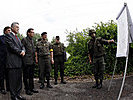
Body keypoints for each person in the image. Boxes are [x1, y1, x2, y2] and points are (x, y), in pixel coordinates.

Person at [5, 22, 26, 100]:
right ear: (12, 28)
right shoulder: (8, 36)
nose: (18, 28)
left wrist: (23, 50)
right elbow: (11, 47)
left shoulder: (17, 37)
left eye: (18, 27)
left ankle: (18, 94)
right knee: (13, 81)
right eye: (17, 27)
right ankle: (13, 96)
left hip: (19, 62)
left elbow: (22, 46)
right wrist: (20, 52)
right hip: (12, 62)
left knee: (18, 80)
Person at [21, 28, 38, 95]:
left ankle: (32, 88)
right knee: (26, 76)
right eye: (32, 32)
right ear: (28, 33)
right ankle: (27, 89)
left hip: (32, 61)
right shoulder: (24, 40)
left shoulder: (32, 40)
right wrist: (24, 60)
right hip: (26, 61)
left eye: (33, 32)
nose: (33, 33)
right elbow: (22, 49)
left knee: (31, 76)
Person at [0, 26, 11, 94]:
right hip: (1, 59)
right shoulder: (1, 38)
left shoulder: (11, 39)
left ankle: (8, 87)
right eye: (8, 30)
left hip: (9, 60)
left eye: (10, 31)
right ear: (5, 31)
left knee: (8, 74)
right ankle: (2, 88)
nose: (10, 32)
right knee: (1, 74)